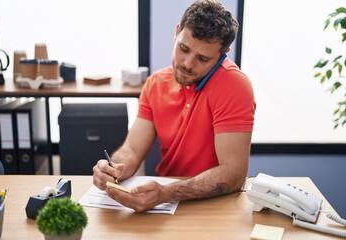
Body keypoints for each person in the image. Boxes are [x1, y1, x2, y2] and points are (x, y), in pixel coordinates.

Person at [93, 0, 256, 212]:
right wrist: (114, 169)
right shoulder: (155, 83)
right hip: (164, 205)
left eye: (202, 58)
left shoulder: (234, 85)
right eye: (184, 48)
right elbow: (132, 149)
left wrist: (167, 193)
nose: (188, 63)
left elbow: (234, 174)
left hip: (214, 207)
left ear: (223, 52)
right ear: (177, 31)